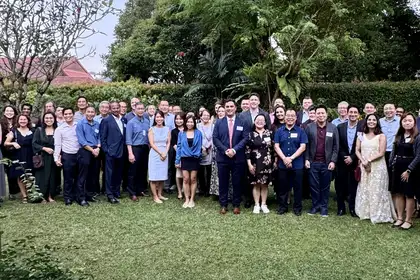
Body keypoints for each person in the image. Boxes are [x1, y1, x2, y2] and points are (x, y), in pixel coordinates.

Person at [355, 113, 396, 223]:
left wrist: (368, 160)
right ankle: (366, 212)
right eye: (369, 120)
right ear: (366, 121)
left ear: (377, 122)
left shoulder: (381, 136)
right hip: (364, 166)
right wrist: (363, 161)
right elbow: (356, 149)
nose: (371, 121)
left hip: (377, 167)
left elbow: (381, 152)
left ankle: (378, 213)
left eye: (374, 120)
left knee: (376, 189)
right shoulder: (361, 135)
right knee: (365, 187)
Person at [213, 99, 249, 214]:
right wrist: (225, 150)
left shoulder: (242, 122)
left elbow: (245, 138)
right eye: (227, 106)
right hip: (223, 158)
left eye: (231, 106)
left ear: (235, 108)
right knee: (223, 182)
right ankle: (223, 204)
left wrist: (234, 150)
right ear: (224, 108)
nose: (229, 108)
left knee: (237, 182)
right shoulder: (219, 122)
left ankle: (236, 204)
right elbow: (215, 138)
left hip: (237, 158)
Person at [305, 105, 339, 217]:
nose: (320, 115)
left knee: (325, 186)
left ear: (326, 114)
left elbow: (336, 147)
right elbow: (306, 145)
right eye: (318, 113)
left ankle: (324, 207)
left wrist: (333, 161)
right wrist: (306, 159)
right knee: (314, 186)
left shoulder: (333, 128)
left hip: (327, 163)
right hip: (313, 162)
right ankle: (315, 206)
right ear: (315, 115)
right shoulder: (309, 127)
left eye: (322, 113)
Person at [239, 93, 271, 207]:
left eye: (255, 99)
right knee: (249, 175)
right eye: (251, 99)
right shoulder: (242, 115)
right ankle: (249, 199)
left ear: (259, 102)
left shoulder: (265, 114)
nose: (253, 101)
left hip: (264, 150)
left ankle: (263, 202)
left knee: (263, 179)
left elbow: (269, 129)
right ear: (249, 102)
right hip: (248, 147)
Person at [389, 113, 420, 230]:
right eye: (404, 121)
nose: (407, 122)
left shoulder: (417, 137)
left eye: (409, 120)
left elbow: (418, 156)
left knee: (409, 194)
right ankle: (399, 218)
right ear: (401, 122)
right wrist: (391, 164)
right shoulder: (399, 136)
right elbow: (394, 152)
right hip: (397, 168)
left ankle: (408, 220)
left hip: (410, 170)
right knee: (398, 193)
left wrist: (409, 170)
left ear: (414, 122)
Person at [274, 109, 307, 216]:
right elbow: (276, 146)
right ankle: (282, 207)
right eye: (288, 115)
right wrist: (284, 159)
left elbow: (303, 147)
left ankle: (297, 208)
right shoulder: (279, 131)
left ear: (296, 118)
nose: (290, 117)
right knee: (282, 187)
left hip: (297, 165)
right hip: (282, 164)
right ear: (285, 117)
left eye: (292, 116)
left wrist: (291, 158)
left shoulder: (300, 131)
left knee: (297, 187)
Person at [336, 105, 363, 217]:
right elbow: (338, 145)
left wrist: (352, 157)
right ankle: (341, 208)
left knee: (353, 186)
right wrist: (345, 157)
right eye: (350, 112)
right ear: (347, 113)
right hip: (342, 161)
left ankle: (352, 208)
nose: (352, 114)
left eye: (355, 112)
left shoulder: (362, 127)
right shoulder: (340, 127)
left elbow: (363, 146)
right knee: (340, 185)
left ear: (358, 114)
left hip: (355, 161)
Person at [246, 114, 274, 214]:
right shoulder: (250, 134)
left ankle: (264, 204)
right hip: (254, 163)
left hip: (267, 162)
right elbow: (247, 150)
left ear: (265, 122)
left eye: (262, 120)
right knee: (256, 184)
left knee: (264, 184)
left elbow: (273, 148)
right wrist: (249, 164)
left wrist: (274, 161)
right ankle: (257, 204)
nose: (260, 121)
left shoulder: (269, 133)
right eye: (258, 120)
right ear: (254, 121)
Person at [100, 101, 126, 204]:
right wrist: (107, 151)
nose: (116, 110)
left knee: (118, 173)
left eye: (117, 108)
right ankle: (109, 194)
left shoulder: (123, 119)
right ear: (110, 109)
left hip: (121, 151)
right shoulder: (106, 120)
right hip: (111, 152)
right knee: (109, 173)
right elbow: (103, 138)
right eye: (113, 108)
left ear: (120, 108)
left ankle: (116, 191)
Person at [4, 115, 34, 203]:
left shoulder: (33, 131)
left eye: (25, 119)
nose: (23, 121)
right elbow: (6, 143)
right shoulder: (14, 131)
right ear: (18, 121)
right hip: (18, 154)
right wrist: (13, 143)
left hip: (30, 154)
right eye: (21, 119)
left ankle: (30, 193)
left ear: (28, 121)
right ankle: (24, 195)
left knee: (30, 174)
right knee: (20, 175)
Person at [175, 115, 203, 208]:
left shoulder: (198, 133)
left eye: (191, 122)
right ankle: (186, 199)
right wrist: (177, 160)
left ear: (194, 123)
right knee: (186, 179)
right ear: (185, 122)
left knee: (193, 179)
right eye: (188, 122)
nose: (189, 123)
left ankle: (192, 199)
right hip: (184, 158)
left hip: (194, 158)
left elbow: (199, 146)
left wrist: (195, 155)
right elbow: (179, 147)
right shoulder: (181, 133)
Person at [53, 108, 79, 206]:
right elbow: (58, 145)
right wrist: (56, 158)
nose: (68, 116)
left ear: (73, 114)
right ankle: (68, 197)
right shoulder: (59, 129)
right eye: (66, 114)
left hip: (79, 154)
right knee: (68, 178)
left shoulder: (78, 125)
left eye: (70, 113)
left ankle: (77, 195)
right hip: (67, 155)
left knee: (78, 177)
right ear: (63, 115)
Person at [76, 106, 101, 206]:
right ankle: (81, 198)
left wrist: (98, 148)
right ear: (85, 113)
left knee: (93, 175)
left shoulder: (97, 124)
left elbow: (100, 137)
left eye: (92, 112)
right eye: (88, 112)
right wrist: (92, 150)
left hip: (96, 150)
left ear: (95, 113)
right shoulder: (80, 124)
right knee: (83, 175)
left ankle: (89, 195)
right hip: (85, 151)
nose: (90, 114)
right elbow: (81, 140)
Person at [32, 112, 59, 203]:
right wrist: (44, 148)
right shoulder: (39, 130)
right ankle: (42, 196)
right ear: (43, 119)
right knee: (41, 177)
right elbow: (34, 144)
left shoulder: (58, 130)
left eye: (51, 118)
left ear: (54, 119)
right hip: (43, 157)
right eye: (46, 118)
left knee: (53, 177)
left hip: (54, 158)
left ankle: (51, 196)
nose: (49, 120)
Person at [126, 102, 150, 201]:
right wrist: (130, 153)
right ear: (134, 110)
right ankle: (132, 192)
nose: (140, 110)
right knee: (133, 171)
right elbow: (128, 140)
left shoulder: (146, 121)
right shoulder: (131, 123)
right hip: (135, 148)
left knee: (143, 170)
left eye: (142, 109)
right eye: (138, 109)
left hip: (145, 148)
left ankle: (140, 190)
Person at [148, 110, 171, 203]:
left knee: (162, 176)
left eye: (161, 117)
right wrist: (160, 153)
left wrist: (165, 152)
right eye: (157, 117)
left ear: (163, 118)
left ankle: (160, 194)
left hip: (165, 153)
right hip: (155, 153)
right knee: (154, 176)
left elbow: (168, 142)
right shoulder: (151, 129)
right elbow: (151, 143)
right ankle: (155, 196)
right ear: (155, 118)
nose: (159, 119)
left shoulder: (167, 129)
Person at [209, 105, 232, 197]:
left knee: (228, 174)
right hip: (217, 150)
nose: (221, 112)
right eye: (219, 111)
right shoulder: (215, 123)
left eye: (223, 111)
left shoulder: (230, 122)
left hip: (229, 150)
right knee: (217, 172)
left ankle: (230, 193)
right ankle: (217, 192)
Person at [1, 105, 20, 198]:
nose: (9, 112)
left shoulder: (18, 122)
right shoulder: (1, 123)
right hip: (5, 150)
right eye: (7, 111)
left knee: (17, 168)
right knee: (9, 170)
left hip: (17, 149)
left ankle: (18, 189)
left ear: (14, 112)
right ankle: (12, 192)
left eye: (11, 111)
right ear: (4, 112)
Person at [197, 109, 213, 197]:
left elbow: (214, 137)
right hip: (200, 150)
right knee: (201, 171)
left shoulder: (213, 126)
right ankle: (202, 189)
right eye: (204, 115)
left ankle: (208, 189)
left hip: (210, 150)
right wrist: (202, 147)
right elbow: (196, 137)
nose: (206, 117)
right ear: (201, 116)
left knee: (209, 170)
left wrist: (208, 146)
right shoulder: (197, 126)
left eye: (207, 115)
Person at [171, 113, 185, 199]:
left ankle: (184, 189)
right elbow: (174, 144)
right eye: (177, 119)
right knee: (178, 174)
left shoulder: (188, 130)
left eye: (180, 119)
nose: (178, 121)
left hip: (188, 155)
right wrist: (180, 153)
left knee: (185, 174)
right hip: (178, 155)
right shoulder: (173, 131)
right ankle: (179, 192)